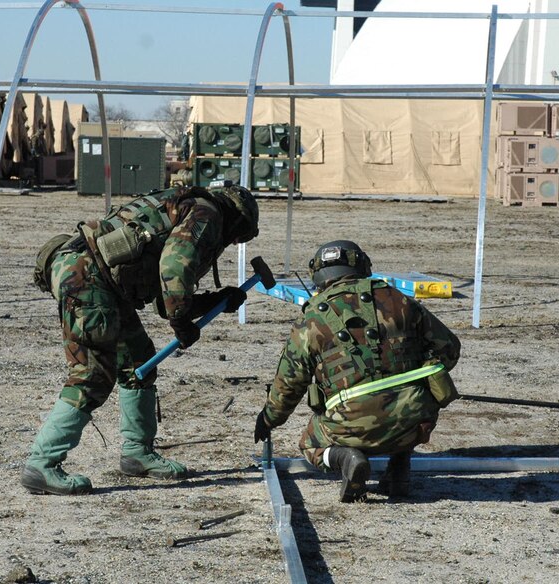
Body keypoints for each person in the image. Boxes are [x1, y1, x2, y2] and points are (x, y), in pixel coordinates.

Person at [22, 183, 259, 495]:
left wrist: (214, 301)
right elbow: (174, 270)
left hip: (96, 278)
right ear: (237, 220)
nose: (233, 243)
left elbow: (166, 295)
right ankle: (42, 464)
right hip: (87, 278)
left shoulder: (189, 206)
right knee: (92, 374)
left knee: (139, 363)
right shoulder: (207, 215)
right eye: (239, 237)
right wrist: (181, 321)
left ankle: (137, 453)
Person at [254, 241, 461, 502]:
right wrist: (422, 373)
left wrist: (269, 419)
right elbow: (450, 347)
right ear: (361, 264)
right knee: (405, 398)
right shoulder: (398, 299)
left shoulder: (311, 320)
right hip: (415, 423)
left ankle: (347, 458)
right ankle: (399, 473)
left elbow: (289, 385)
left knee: (310, 445)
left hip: (349, 426)